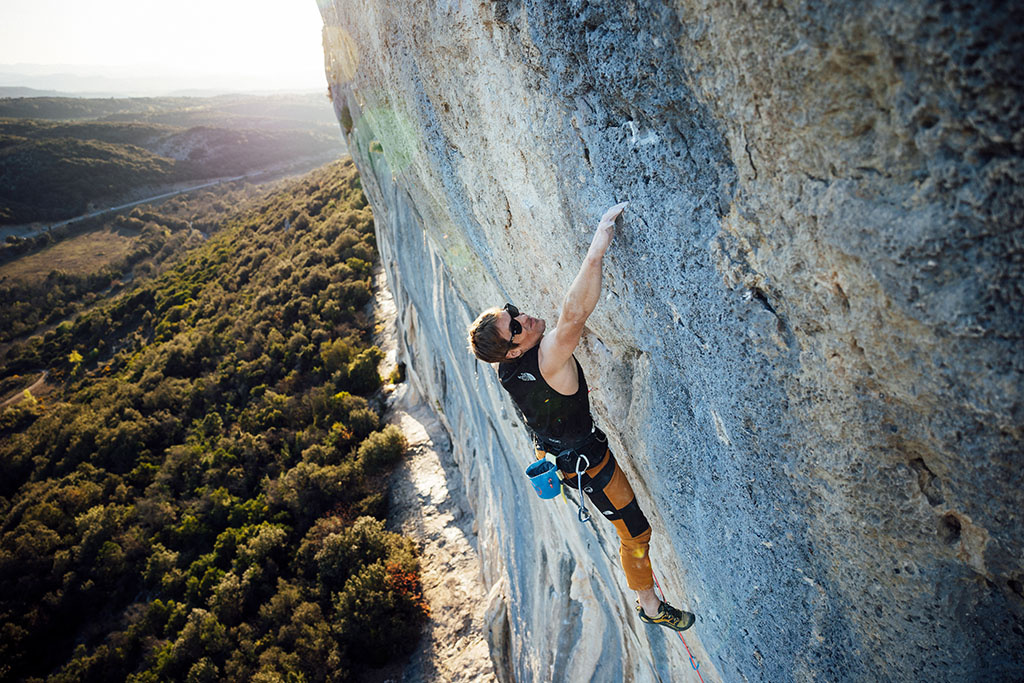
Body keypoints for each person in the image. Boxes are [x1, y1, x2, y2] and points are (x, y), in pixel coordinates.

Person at [467, 202, 695, 632]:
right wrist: (596, 250)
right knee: (635, 532)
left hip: (563, 454)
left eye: (510, 311)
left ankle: (648, 600)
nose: (522, 318)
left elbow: (536, 341)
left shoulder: (507, 365)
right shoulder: (549, 359)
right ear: (514, 349)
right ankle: (649, 606)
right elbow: (574, 314)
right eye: (514, 327)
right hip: (590, 464)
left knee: (631, 528)